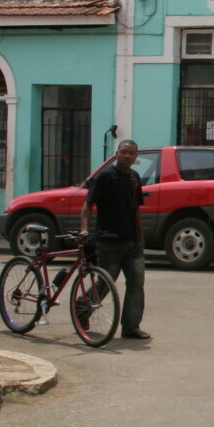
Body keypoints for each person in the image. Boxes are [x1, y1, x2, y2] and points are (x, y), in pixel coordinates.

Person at [78, 139, 150, 340]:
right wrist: (84, 230)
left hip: (132, 241)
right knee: (104, 284)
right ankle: (81, 310)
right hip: (108, 240)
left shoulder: (135, 178)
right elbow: (88, 205)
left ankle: (131, 327)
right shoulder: (105, 176)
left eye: (131, 153)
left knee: (136, 282)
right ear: (117, 153)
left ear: (136, 157)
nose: (127, 156)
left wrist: (140, 235)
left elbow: (136, 208)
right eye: (124, 152)